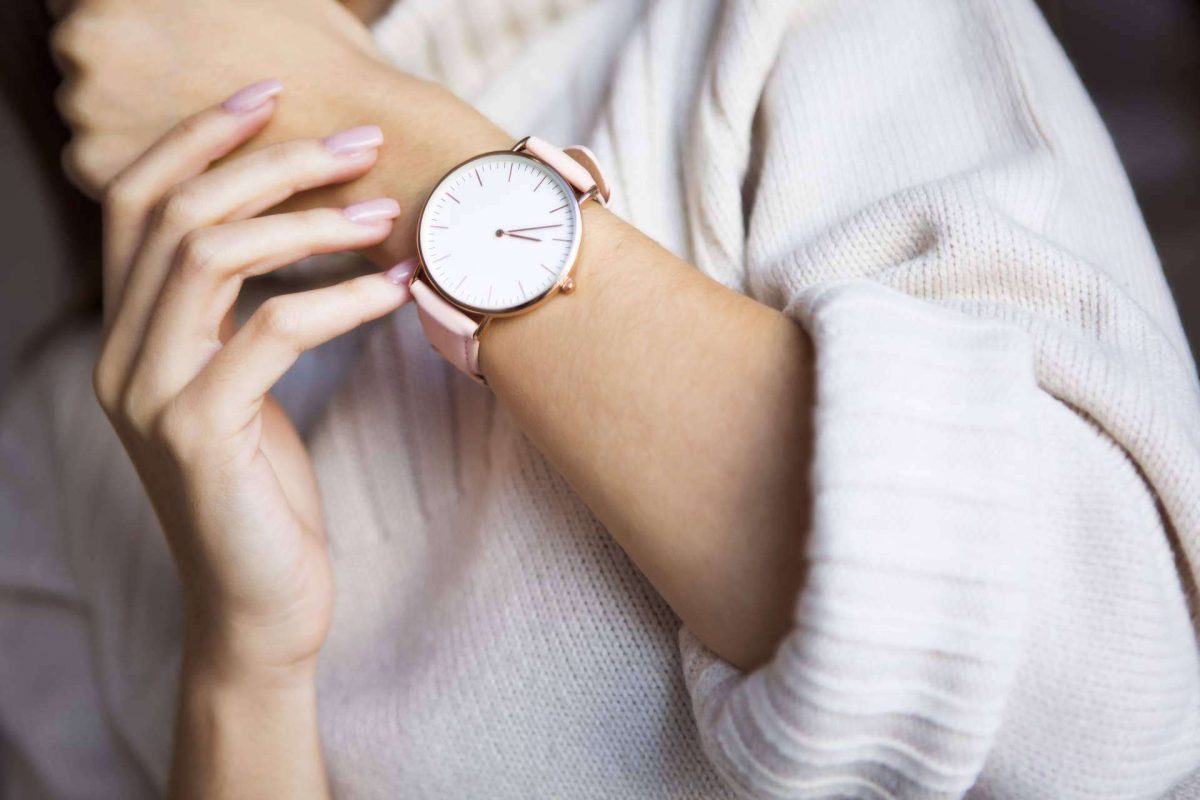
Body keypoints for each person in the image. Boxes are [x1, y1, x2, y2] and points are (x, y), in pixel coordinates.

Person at [3, 0, 1199, 797]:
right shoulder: (60, 446)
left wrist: (375, 133)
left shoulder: (793, 22)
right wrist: (245, 661)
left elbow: (1109, 711)